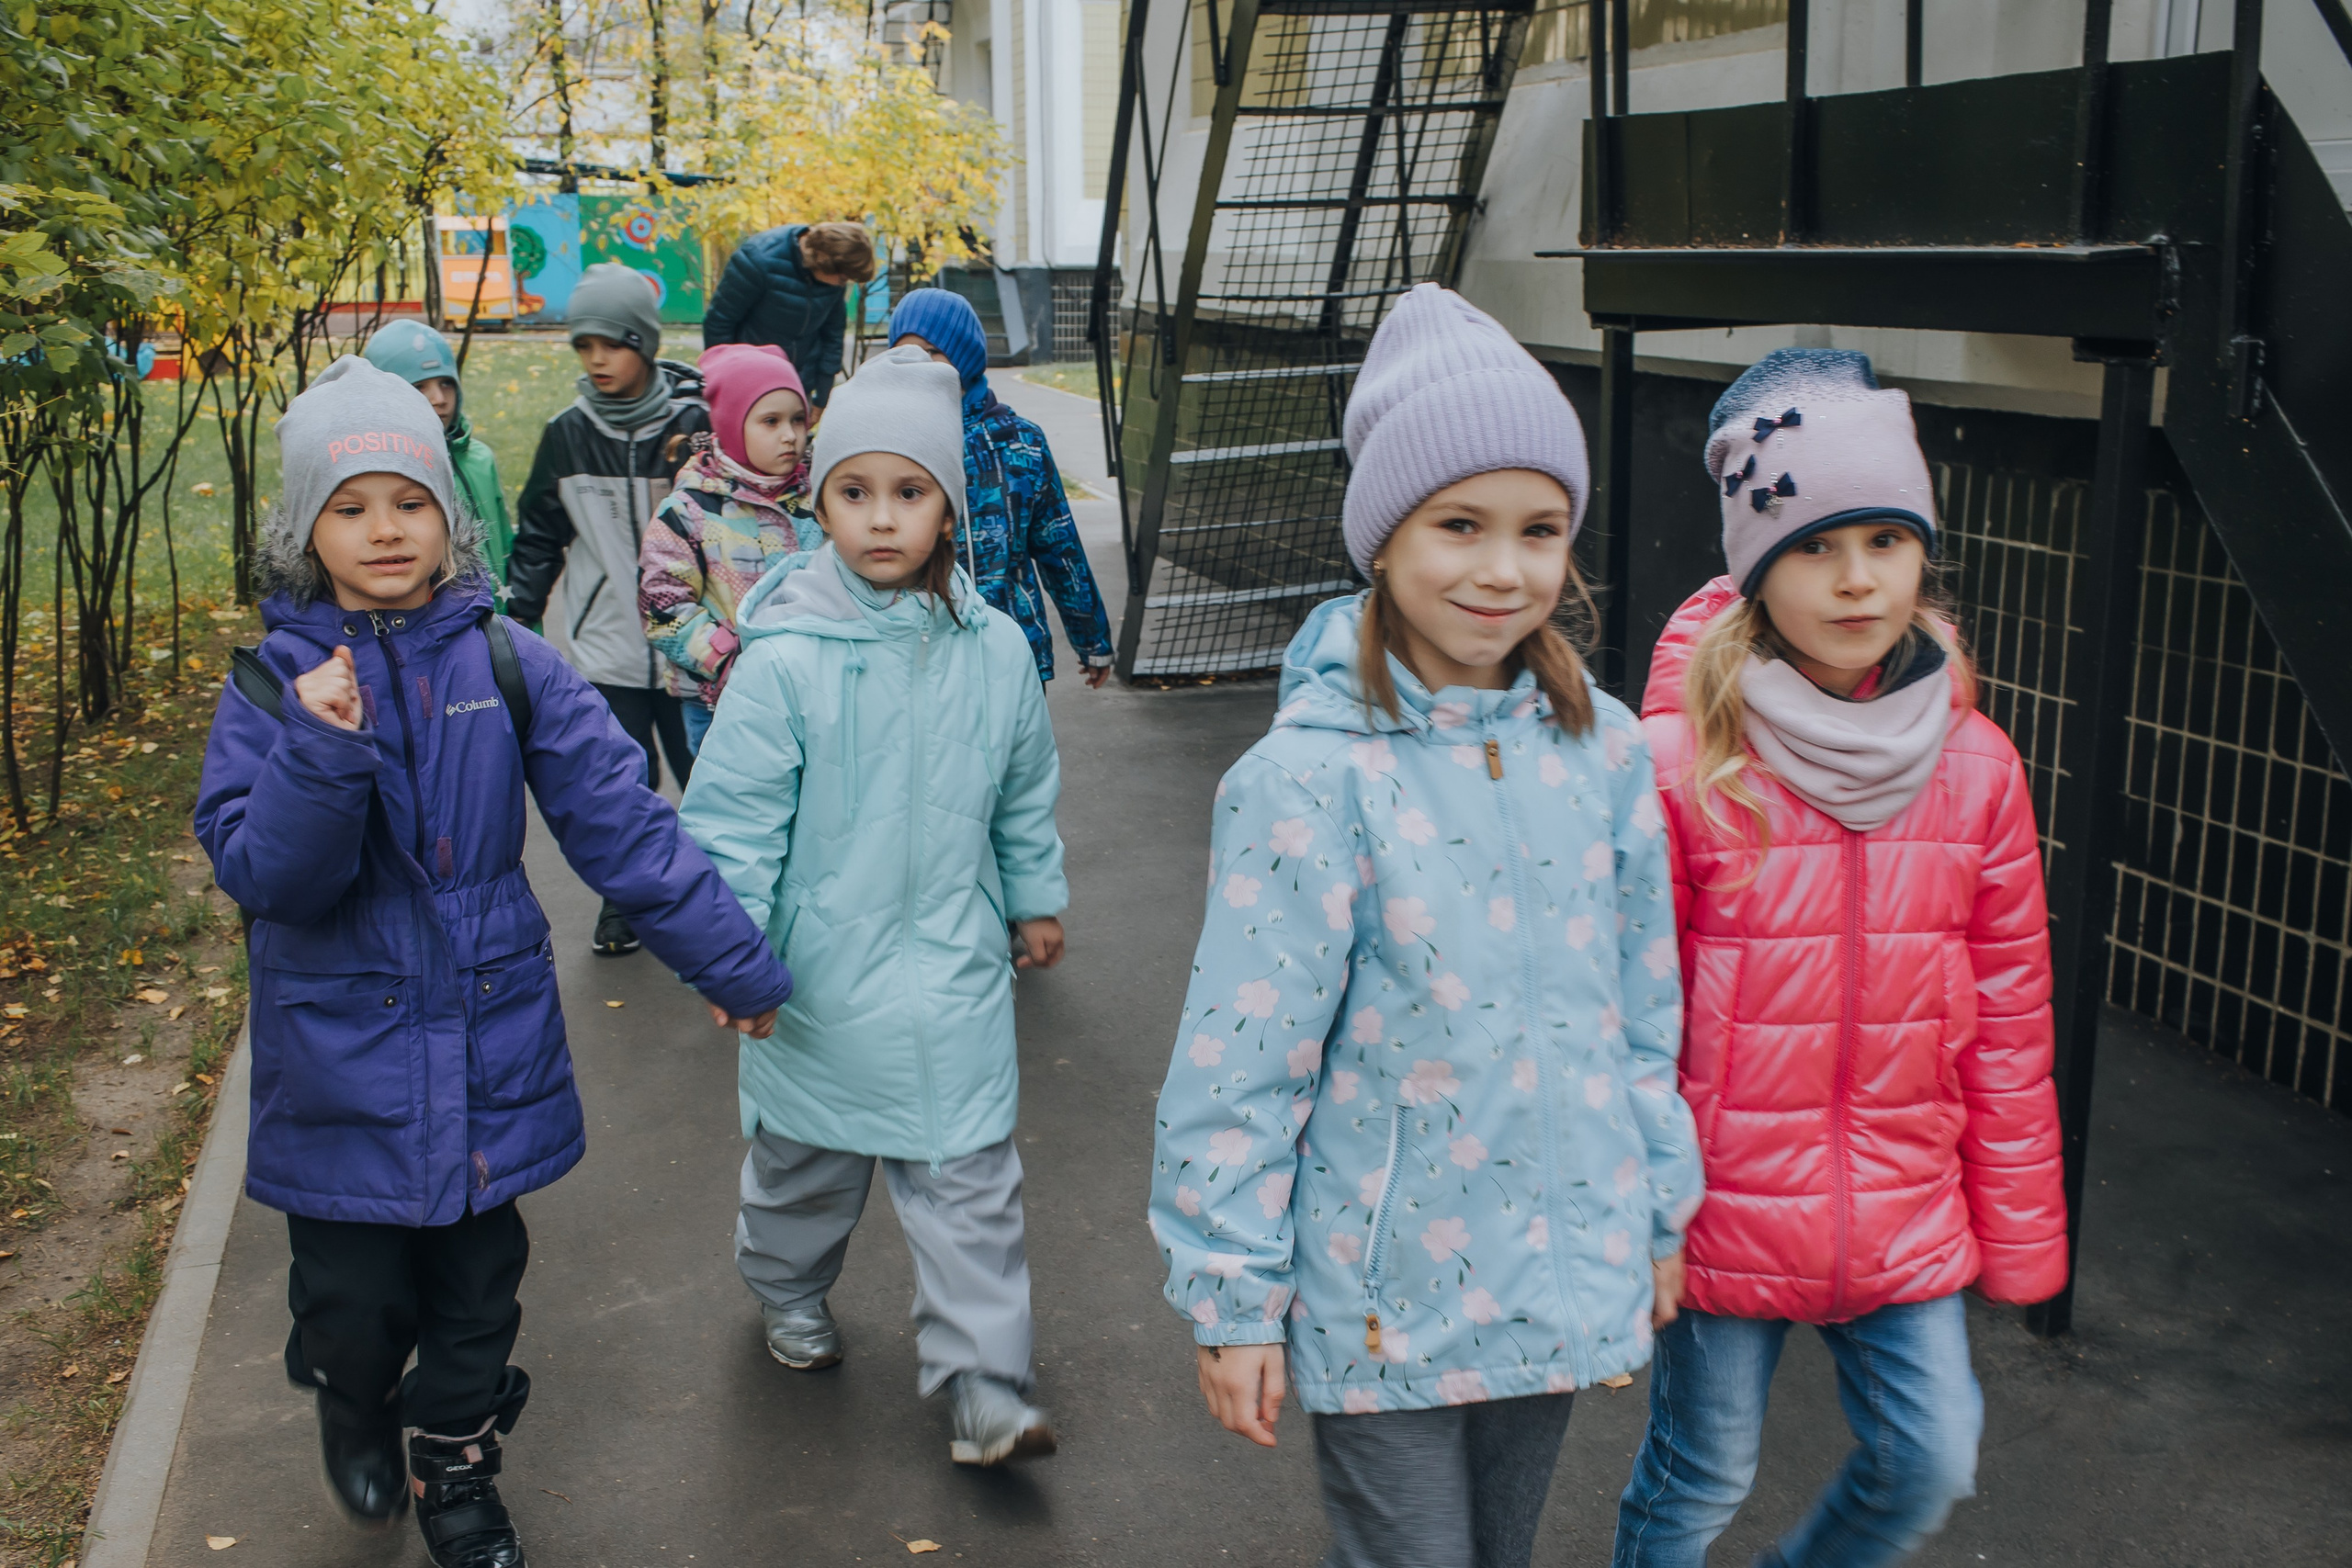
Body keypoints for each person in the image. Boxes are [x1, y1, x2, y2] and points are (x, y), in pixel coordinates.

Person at [195, 355, 789, 1568]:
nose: (384, 530)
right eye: (350, 506)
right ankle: (354, 1398)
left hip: (484, 1044)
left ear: (448, 517)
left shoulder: (507, 660)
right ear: (306, 529)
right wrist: (319, 746)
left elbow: (626, 824)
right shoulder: (271, 687)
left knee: (477, 1296)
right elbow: (270, 879)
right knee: (356, 1306)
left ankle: (456, 1463)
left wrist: (734, 964)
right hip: (338, 1064)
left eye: (409, 502)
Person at [1148, 285, 1703, 1568]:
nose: (1503, 567)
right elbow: (1242, 1059)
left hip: (1556, 1267)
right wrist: (1234, 1297)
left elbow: (1641, 1009)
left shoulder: (1606, 751)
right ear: (1383, 537)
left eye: (1539, 528)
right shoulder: (1311, 777)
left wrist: (1655, 1214)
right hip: (1382, 1291)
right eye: (1460, 523)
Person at [1614, 348, 2068, 1568]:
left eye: (1885, 537)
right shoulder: (1677, 762)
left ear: (1924, 549)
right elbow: (1626, 1011)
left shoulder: (1979, 763)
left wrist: (2018, 1223)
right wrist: (1632, 1206)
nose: (1857, 577)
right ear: (1755, 566)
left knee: (1931, 1457)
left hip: (1902, 1197)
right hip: (1722, 1200)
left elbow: (2012, 1009)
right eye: (1814, 543)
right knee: (1700, 1472)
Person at [677, 344, 1071, 1468]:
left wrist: (1033, 895)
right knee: (805, 1173)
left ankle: (987, 1383)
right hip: (816, 982)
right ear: (821, 503)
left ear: (949, 505)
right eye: (855, 492)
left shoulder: (993, 652)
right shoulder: (787, 659)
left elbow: (1023, 788)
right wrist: (728, 957)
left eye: (910, 492)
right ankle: (786, 1287)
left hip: (950, 970)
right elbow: (733, 824)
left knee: (970, 1182)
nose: (883, 519)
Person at [507, 262, 709, 955]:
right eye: (583, 344)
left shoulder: (691, 425)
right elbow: (539, 533)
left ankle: (730, 898)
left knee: (709, 774)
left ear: (646, 344)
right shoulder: (566, 433)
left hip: (693, 648)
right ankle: (626, 901)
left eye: (613, 343)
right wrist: (518, 615)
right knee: (621, 785)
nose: (597, 358)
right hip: (607, 647)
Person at [888, 288, 1114, 686]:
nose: (918, 366)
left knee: (1018, 749)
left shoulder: (1019, 442)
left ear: (966, 357)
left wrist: (1091, 638)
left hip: (1010, 650)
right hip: (917, 656)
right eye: (905, 353)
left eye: (932, 352)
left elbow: (1059, 548)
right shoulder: (889, 441)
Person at [639, 342, 820, 754]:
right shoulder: (689, 510)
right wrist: (728, 659)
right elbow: (662, 606)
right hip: (719, 703)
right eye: (770, 421)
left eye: (797, 419)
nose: (790, 435)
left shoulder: (817, 500)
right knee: (730, 812)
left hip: (807, 697)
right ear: (733, 426)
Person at [360, 319, 516, 587]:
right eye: (420, 387)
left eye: (446, 383)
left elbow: (505, 547)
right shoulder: (379, 474)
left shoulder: (479, 459)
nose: (439, 399)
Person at [702, 220, 876, 410]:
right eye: (843, 278)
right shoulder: (757, 259)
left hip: (799, 383)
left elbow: (833, 333)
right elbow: (719, 323)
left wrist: (823, 396)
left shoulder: (832, 278)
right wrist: (725, 385)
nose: (843, 285)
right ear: (824, 261)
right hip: (750, 383)